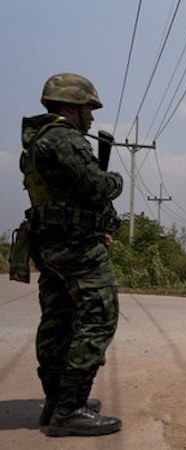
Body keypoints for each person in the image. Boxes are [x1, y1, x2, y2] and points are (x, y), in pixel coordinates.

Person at [19, 73, 124, 436]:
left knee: (58, 321)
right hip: (77, 247)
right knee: (98, 317)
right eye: (87, 110)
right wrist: (116, 182)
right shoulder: (66, 139)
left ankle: (55, 403)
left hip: (49, 245)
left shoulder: (36, 143)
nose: (91, 118)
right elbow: (97, 186)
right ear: (69, 107)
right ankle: (71, 408)